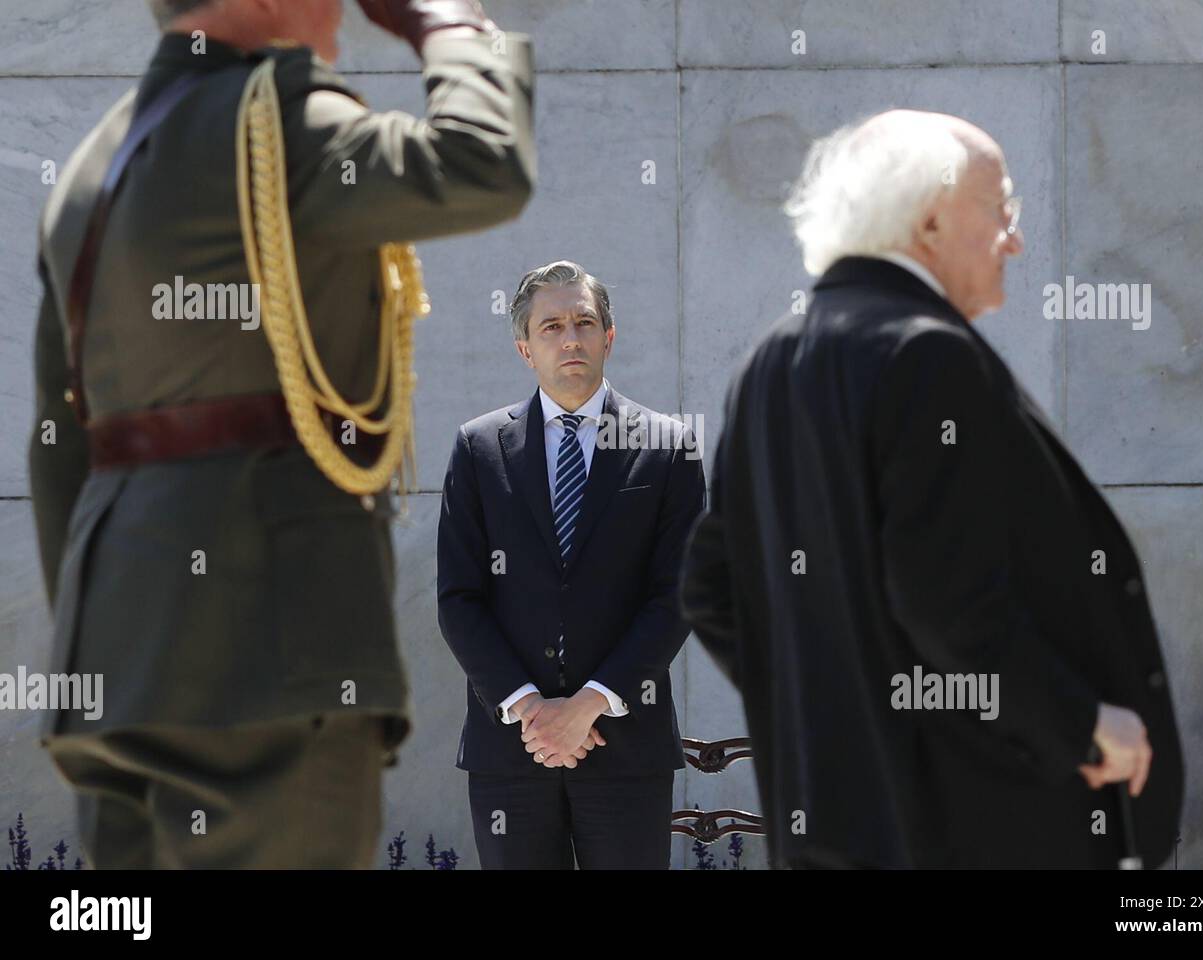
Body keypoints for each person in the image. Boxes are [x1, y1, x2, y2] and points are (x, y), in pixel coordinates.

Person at [28, 0, 535, 868]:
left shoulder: (92, 164)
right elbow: (484, 162)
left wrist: (108, 631)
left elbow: (59, 448)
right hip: (267, 654)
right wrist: (449, 25)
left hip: (114, 670)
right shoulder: (281, 124)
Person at [679, 109, 1184, 868]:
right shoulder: (928, 357)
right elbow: (946, 602)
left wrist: (831, 722)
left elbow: (710, 588)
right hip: (973, 831)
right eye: (1001, 208)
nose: (1015, 237)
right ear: (932, 219)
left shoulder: (769, 361)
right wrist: (1078, 723)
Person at [437, 260, 706, 868]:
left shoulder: (667, 448)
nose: (571, 338)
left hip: (624, 748)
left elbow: (677, 596)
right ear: (524, 347)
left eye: (585, 322)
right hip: (511, 749)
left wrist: (587, 705)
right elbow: (459, 598)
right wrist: (533, 709)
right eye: (551, 326)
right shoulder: (478, 449)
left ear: (608, 337)